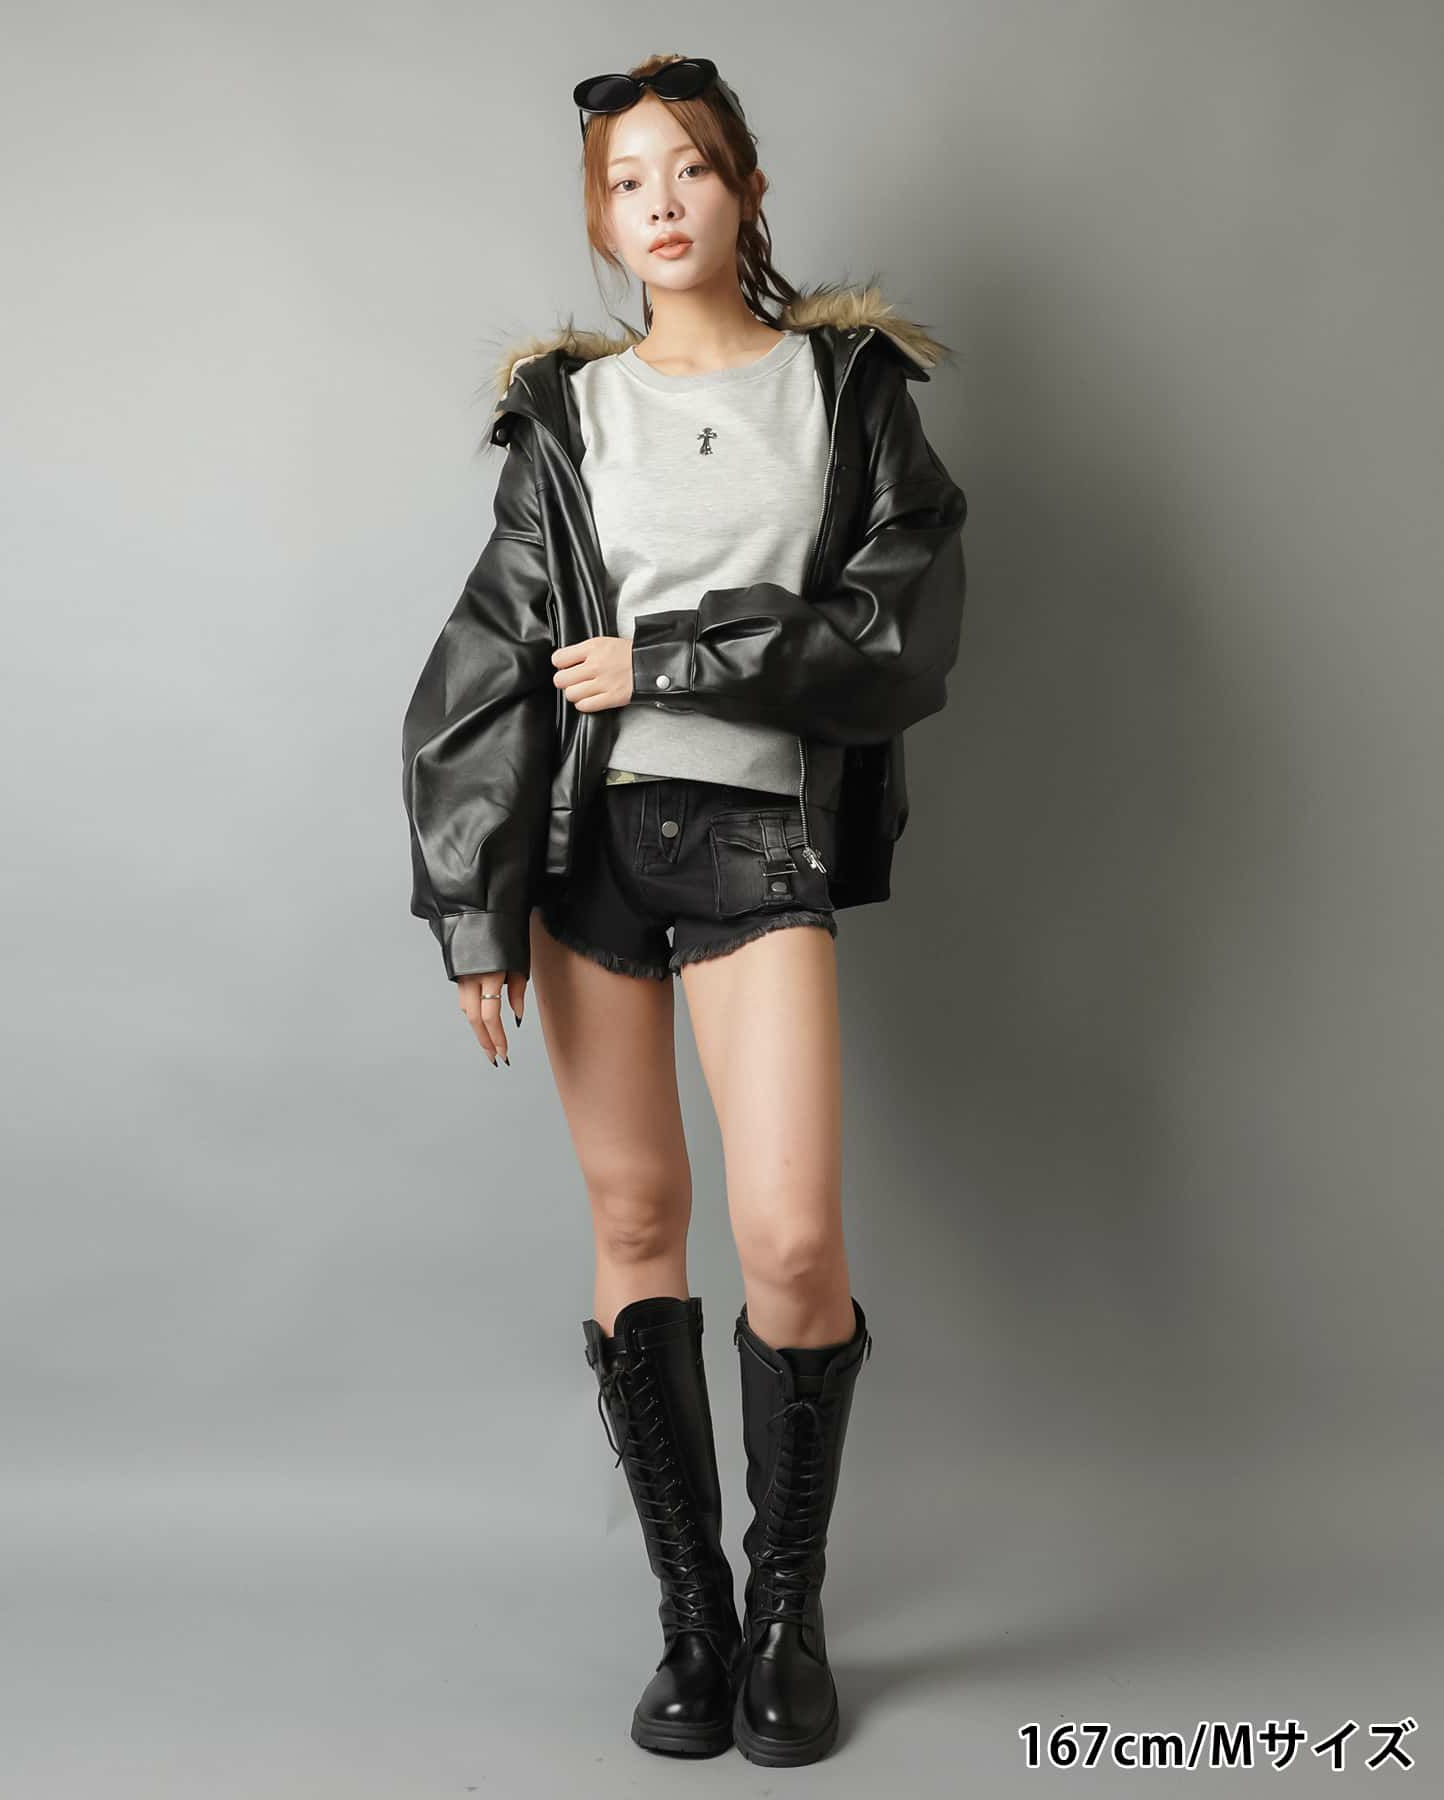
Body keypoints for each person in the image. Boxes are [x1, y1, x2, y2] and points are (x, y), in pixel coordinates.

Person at [401, 52, 967, 1767]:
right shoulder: (566, 418)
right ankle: (693, 1620)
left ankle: (788, 1605)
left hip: (753, 839)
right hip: (589, 848)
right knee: (639, 1215)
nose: (660, 203)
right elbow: (489, 664)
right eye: (627, 180)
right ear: (602, 217)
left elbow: (895, 636)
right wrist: (473, 904)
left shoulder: (847, 391)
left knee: (790, 1237)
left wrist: (670, 659)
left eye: (691, 170)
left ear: (746, 190)